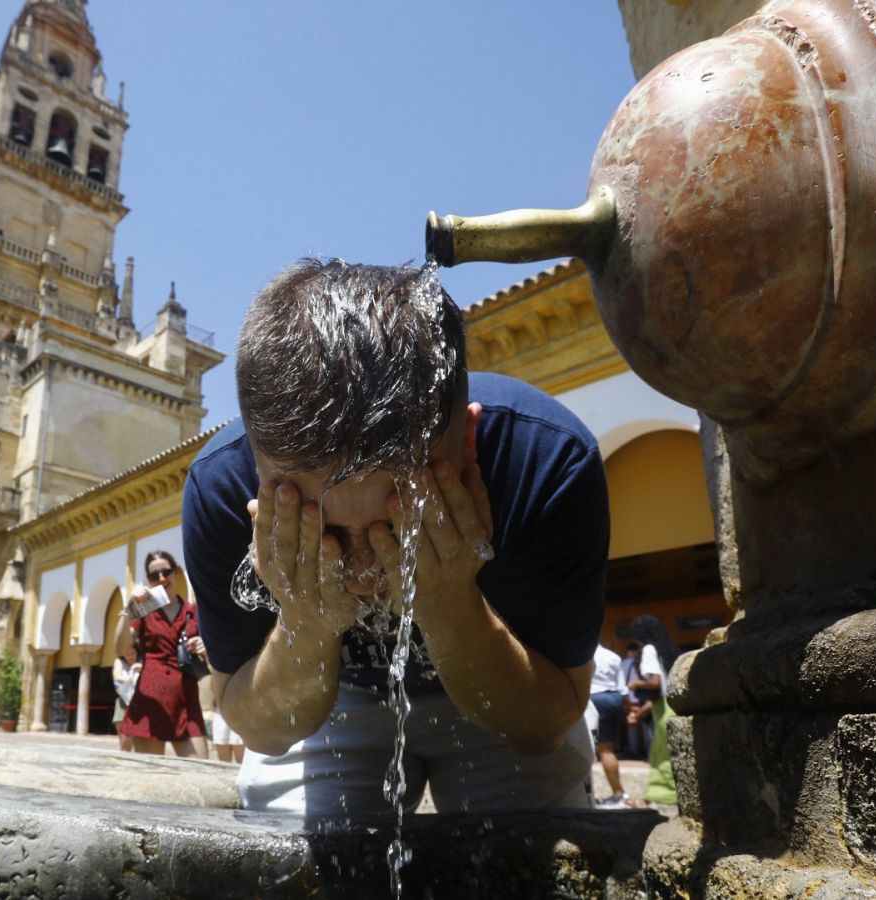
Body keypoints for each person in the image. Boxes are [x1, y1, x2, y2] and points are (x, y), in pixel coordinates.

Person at [184, 258, 609, 815]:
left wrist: (448, 600)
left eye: (400, 522)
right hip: (335, 697)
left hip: (508, 674)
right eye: (329, 529)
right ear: (260, 476)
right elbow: (260, 730)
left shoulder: (546, 461)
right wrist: (307, 623)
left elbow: (544, 726)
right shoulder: (220, 488)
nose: (364, 568)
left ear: (468, 444)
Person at [113, 550, 209, 757]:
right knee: (151, 775)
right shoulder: (143, 611)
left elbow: (212, 657)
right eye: (154, 576)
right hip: (151, 700)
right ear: (148, 581)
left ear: (175, 574)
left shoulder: (192, 611)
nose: (162, 579)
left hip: (186, 700)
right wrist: (126, 611)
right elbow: (121, 649)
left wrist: (204, 648)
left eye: (166, 572)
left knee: (200, 768)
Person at [626, 615, 681, 807]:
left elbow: (655, 683)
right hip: (671, 705)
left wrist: (636, 684)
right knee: (666, 752)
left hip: (661, 709)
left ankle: (657, 796)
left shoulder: (648, 649)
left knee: (661, 753)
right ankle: (651, 796)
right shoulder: (665, 648)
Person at [587, 643, 628, 807]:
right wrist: (631, 710)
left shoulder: (584, 654)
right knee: (610, 748)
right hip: (614, 699)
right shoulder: (613, 656)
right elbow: (623, 688)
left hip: (595, 699)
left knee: (602, 750)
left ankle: (618, 794)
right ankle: (618, 792)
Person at [112, 654, 141, 751]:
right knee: (124, 741)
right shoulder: (119, 661)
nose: (130, 656)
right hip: (123, 702)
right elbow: (116, 676)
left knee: (140, 742)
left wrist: (141, 668)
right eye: (127, 653)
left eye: (132, 652)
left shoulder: (142, 662)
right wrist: (130, 678)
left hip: (139, 703)